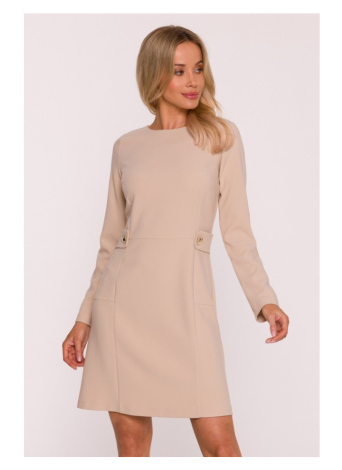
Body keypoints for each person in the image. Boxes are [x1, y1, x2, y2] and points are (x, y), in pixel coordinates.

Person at [62, 25, 290, 457]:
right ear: (155, 75)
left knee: (221, 448)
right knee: (131, 445)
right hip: (124, 311)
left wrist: (265, 300)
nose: (193, 81)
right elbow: (110, 242)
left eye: (198, 69)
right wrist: (84, 318)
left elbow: (237, 232)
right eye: (179, 71)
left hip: (186, 304)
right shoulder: (127, 147)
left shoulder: (221, 137)